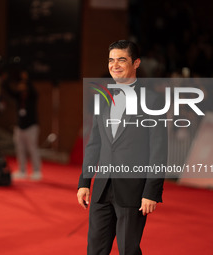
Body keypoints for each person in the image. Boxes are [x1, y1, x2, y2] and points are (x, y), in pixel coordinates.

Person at [77, 40, 168, 255]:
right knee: (94, 250)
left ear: (136, 63)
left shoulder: (153, 101)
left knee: (128, 249)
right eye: (111, 60)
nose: (114, 65)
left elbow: (158, 150)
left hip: (133, 191)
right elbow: (94, 144)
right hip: (101, 189)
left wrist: (151, 192)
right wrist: (84, 181)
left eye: (121, 60)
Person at [2, 66, 42, 180]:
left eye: (22, 84)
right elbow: (8, 90)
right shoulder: (18, 97)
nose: (20, 86)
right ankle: (22, 170)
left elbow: (33, 89)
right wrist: (5, 79)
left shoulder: (32, 96)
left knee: (32, 148)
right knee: (20, 149)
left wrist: (26, 79)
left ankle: (37, 171)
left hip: (31, 126)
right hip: (20, 127)